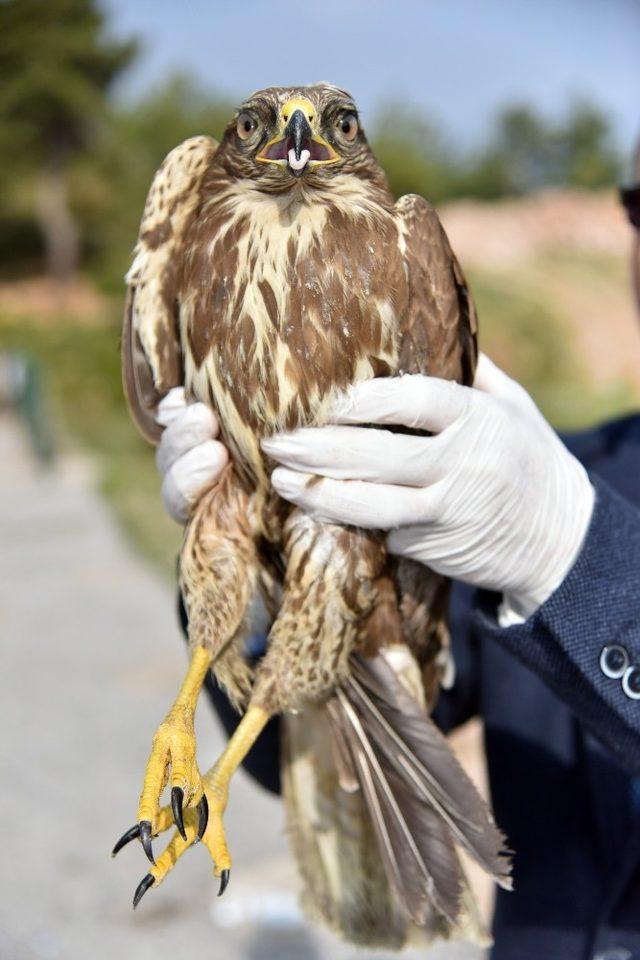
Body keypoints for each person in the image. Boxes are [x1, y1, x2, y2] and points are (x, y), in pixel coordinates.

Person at [155, 153, 640, 960]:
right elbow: (318, 748)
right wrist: (257, 567)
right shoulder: (559, 466)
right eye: (638, 205)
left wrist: (573, 561)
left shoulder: (553, 502)